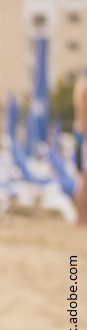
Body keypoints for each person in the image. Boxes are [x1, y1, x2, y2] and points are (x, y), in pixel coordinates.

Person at [74, 70, 87, 226]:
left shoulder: (81, 84)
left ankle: (81, 218)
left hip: (82, 135)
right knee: (85, 179)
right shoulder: (84, 86)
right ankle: (80, 219)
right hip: (84, 136)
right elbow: (84, 115)